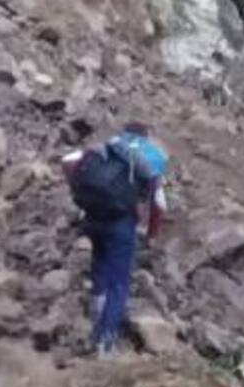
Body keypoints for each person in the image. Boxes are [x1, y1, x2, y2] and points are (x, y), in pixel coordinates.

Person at [62, 122, 168, 355]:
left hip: (92, 217)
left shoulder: (108, 147)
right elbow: (159, 205)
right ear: (145, 137)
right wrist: (151, 235)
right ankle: (105, 341)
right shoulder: (148, 159)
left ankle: (96, 312)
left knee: (99, 260)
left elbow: (69, 160)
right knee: (119, 284)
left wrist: (78, 193)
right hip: (121, 223)